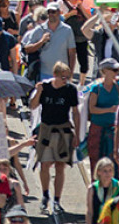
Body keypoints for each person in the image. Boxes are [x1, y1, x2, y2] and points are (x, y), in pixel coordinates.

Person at [29, 60, 79, 212]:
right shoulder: (45, 88)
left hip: (63, 130)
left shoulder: (71, 90)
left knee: (60, 166)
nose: (66, 80)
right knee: (44, 163)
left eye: (67, 77)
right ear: (55, 75)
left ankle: (57, 199)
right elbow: (33, 106)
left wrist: (76, 133)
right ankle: (45, 195)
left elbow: (76, 112)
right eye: (63, 77)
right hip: (47, 129)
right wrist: (38, 92)